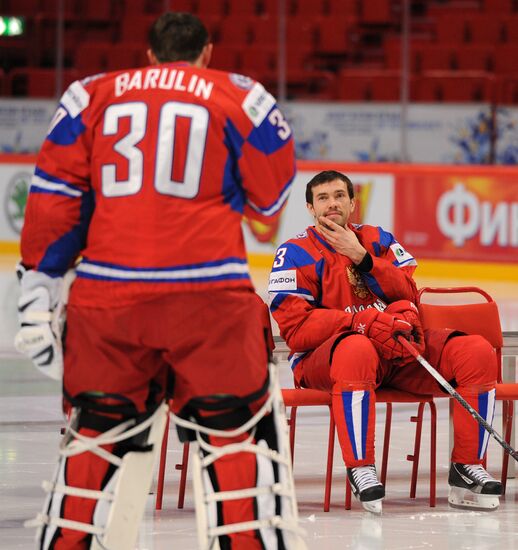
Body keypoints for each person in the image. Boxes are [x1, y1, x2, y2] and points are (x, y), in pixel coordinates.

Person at [15, 12, 306, 550]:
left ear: (148, 54)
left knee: (96, 431)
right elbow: (269, 197)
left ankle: (68, 541)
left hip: (108, 296)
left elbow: (55, 199)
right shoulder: (241, 95)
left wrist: (38, 287)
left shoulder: (90, 94)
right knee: (233, 433)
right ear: (208, 52)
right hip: (210, 296)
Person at [268, 169, 502, 514]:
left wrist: (364, 260)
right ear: (309, 207)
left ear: (352, 202)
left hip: (395, 353)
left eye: (339, 196)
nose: (332, 203)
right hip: (328, 361)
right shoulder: (293, 253)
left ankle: (467, 466)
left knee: (475, 351)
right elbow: (297, 329)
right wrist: (356, 321)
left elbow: (410, 292)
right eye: (323, 198)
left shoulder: (378, 239)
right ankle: (361, 466)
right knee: (356, 347)